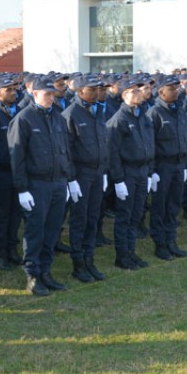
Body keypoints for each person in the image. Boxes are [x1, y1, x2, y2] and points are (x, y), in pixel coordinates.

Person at [8, 77, 73, 295]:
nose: (51, 98)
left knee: (52, 230)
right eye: (46, 94)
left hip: (57, 182)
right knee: (35, 231)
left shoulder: (57, 117)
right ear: (34, 94)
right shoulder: (24, 119)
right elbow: (17, 158)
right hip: (37, 185)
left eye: (52, 94)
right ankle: (32, 275)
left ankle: (46, 271)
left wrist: (68, 179)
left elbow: (66, 149)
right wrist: (22, 189)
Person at [62, 75, 108, 281]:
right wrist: (71, 179)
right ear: (80, 92)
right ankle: (78, 264)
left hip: (97, 173)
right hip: (81, 174)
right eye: (93, 89)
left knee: (93, 217)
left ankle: (89, 259)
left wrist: (104, 170)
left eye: (98, 89)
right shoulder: (71, 114)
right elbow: (67, 150)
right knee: (79, 219)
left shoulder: (96, 111)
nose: (97, 92)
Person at [106, 77, 154, 270]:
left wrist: (150, 172)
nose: (139, 94)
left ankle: (131, 251)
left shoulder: (142, 116)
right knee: (124, 216)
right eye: (134, 91)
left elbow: (149, 145)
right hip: (127, 173)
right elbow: (113, 153)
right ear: (125, 95)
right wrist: (118, 180)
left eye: (139, 90)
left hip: (142, 172)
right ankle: (122, 255)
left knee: (136, 214)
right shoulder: (119, 120)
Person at [146, 75, 187, 260]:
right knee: (160, 206)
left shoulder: (179, 110)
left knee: (174, 205)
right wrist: (153, 171)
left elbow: (185, 137)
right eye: (172, 89)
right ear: (162, 92)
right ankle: (160, 244)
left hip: (178, 164)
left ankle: (171, 240)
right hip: (163, 166)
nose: (176, 91)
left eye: (177, 88)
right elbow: (150, 144)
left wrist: (186, 163)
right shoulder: (155, 113)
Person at [0, 77, 23, 271]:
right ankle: (0, 253)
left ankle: (12, 249)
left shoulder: (20, 113)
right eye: (8, 90)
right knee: (1, 215)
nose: (13, 93)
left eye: (15, 89)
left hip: (18, 171)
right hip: (1, 172)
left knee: (16, 214)